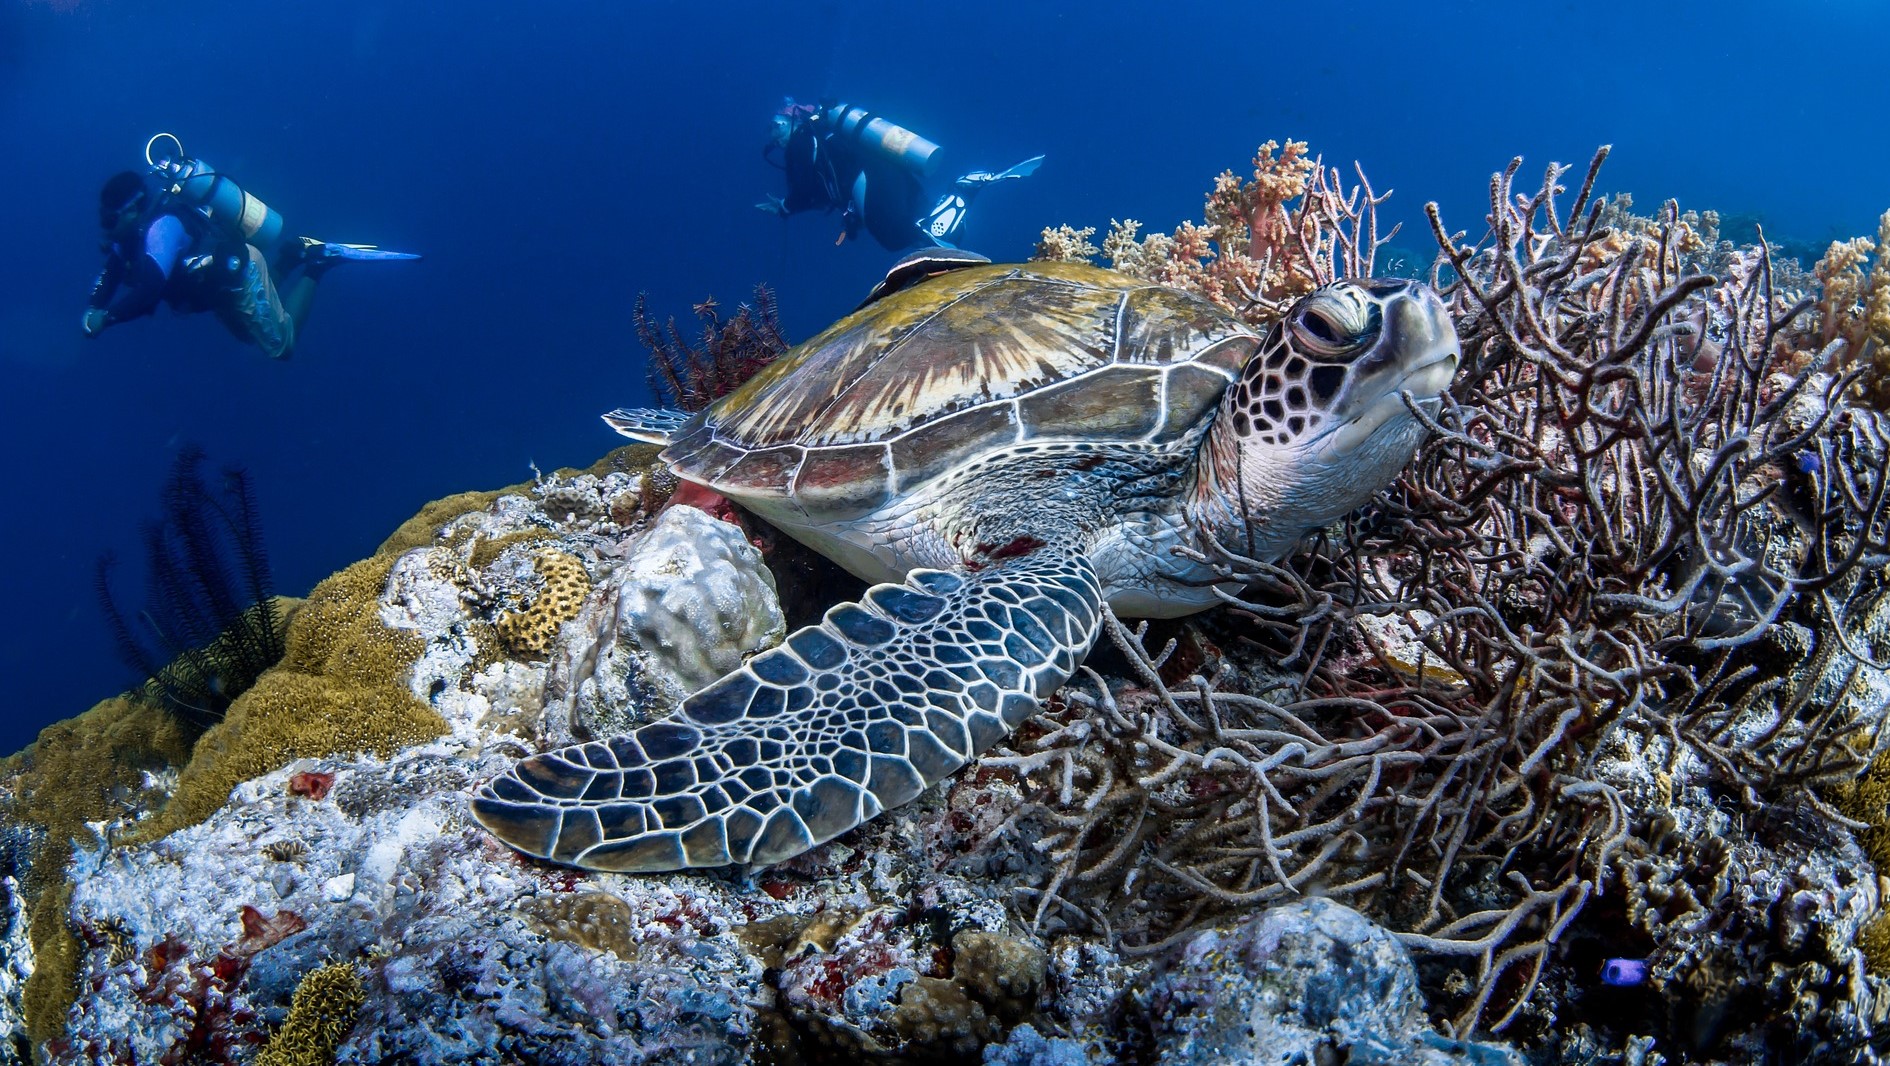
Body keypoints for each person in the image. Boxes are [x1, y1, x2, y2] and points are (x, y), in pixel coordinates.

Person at [83, 135, 417, 360]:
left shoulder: (161, 231)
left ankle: (318, 263)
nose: (104, 226)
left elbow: (148, 292)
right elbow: (110, 274)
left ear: (132, 210)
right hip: (222, 286)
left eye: (109, 219)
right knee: (247, 335)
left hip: (241, 271)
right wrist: (92, 308)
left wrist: (108, 318)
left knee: (280, 346)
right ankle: (291, 255)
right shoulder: (126, 242)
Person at [758, 98, 1042, 253]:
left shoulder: (801, 141)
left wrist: (785, 207)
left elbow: (808, 188)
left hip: (868, 176)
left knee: (893, 237)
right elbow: (822, 189)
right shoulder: (828, 133)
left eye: (776, 127)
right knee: (931, 230)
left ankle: (962, 189)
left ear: (789, 121)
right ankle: (960, 194)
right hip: (890, 167)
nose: (775, 138)